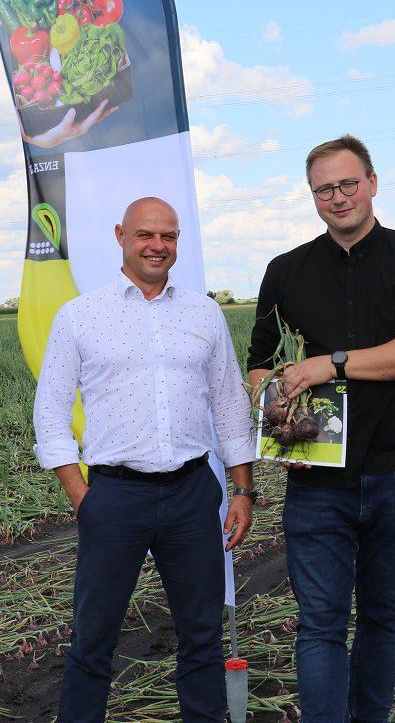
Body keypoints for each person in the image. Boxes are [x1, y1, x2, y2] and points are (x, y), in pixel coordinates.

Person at [247, 135, 395, 722]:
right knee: (320, 625)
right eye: (324, 190)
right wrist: (276, 413)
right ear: (312, 196)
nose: (338, 198)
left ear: (373, 183)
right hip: (315, 481)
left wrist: (328, 365)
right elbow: (259, 364)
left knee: (384, 619)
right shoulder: (285, 271)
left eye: (348, 184)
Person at [34, 196, 257, 723]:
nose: (158, 246)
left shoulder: (204, 313)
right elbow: (50, 412)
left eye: (169, 236)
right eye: (146, 235)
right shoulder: (81, 316)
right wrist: (82, 497)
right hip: (115, 496)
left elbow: (229, 403)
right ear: (121, 236)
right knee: (93, 637)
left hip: (192, 493)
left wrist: (243, 490)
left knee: (201, 635)